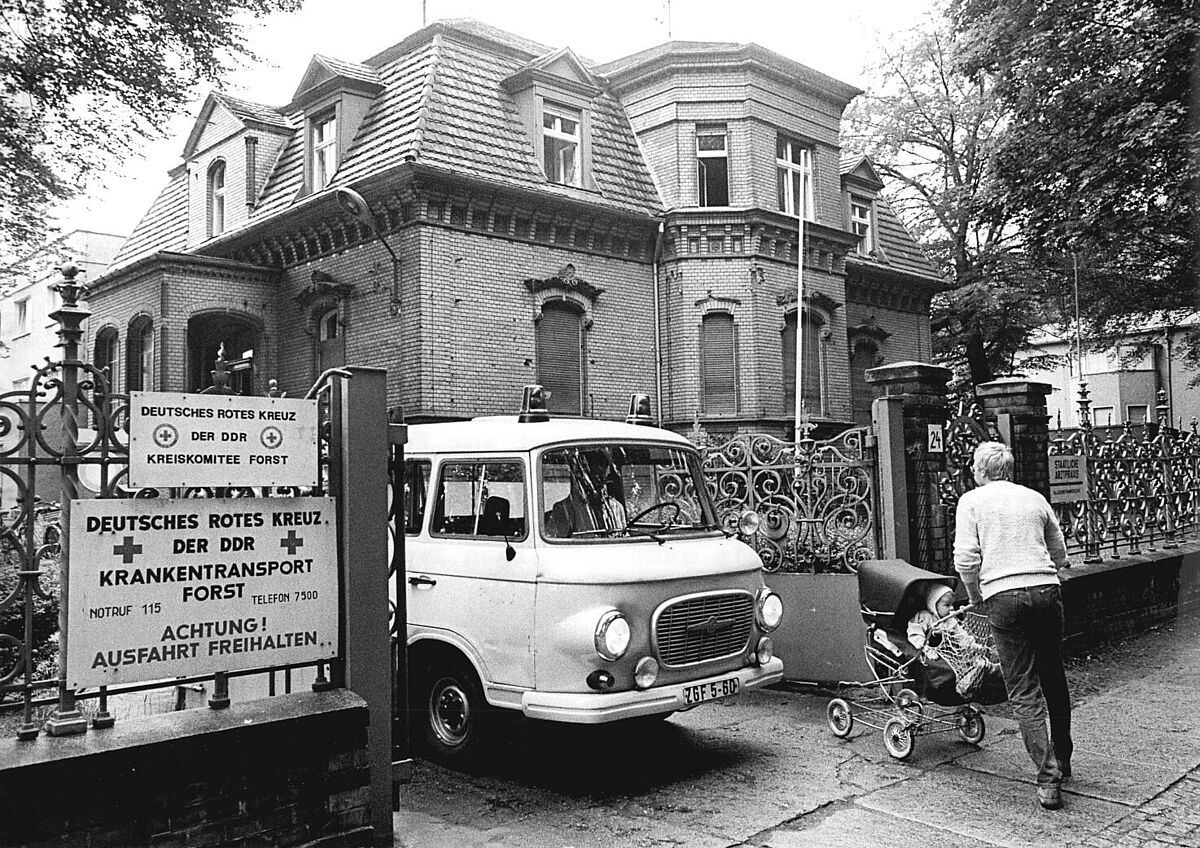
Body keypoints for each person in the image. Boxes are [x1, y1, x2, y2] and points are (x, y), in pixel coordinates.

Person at [954, 441, 1072, 810]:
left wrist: (975, 595)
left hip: (1003, 597)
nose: (973, 471)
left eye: (974, 466)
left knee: (1023, 689)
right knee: (1053, 674)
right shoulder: (1033, 498)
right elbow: (1060, 551)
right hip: (1046, 588)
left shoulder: (972, 501)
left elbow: (966, 559)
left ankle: (1048, 778)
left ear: (983, 471)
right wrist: (1048, 569)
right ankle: (1064, 758)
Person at [906, 584, 999, 697]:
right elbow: (915, 634)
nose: (951, 608)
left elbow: (961, 636)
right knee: (946, 669)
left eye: (952, 605)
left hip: (950, 653)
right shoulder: (924, 617)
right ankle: (966, 682)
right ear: (933, 604)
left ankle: (976, 675)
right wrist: (926, 649)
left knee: (970, 661)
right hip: (929, 652)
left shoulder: (949, 619)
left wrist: (973, 646)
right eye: (946, 605)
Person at [546, 450, 627, 538]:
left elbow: (624, 538)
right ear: (580, 476)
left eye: (604, 474)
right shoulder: (564, 509)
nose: (602, 479)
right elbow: (555, 543)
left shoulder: (617, 508)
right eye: (595, 474)